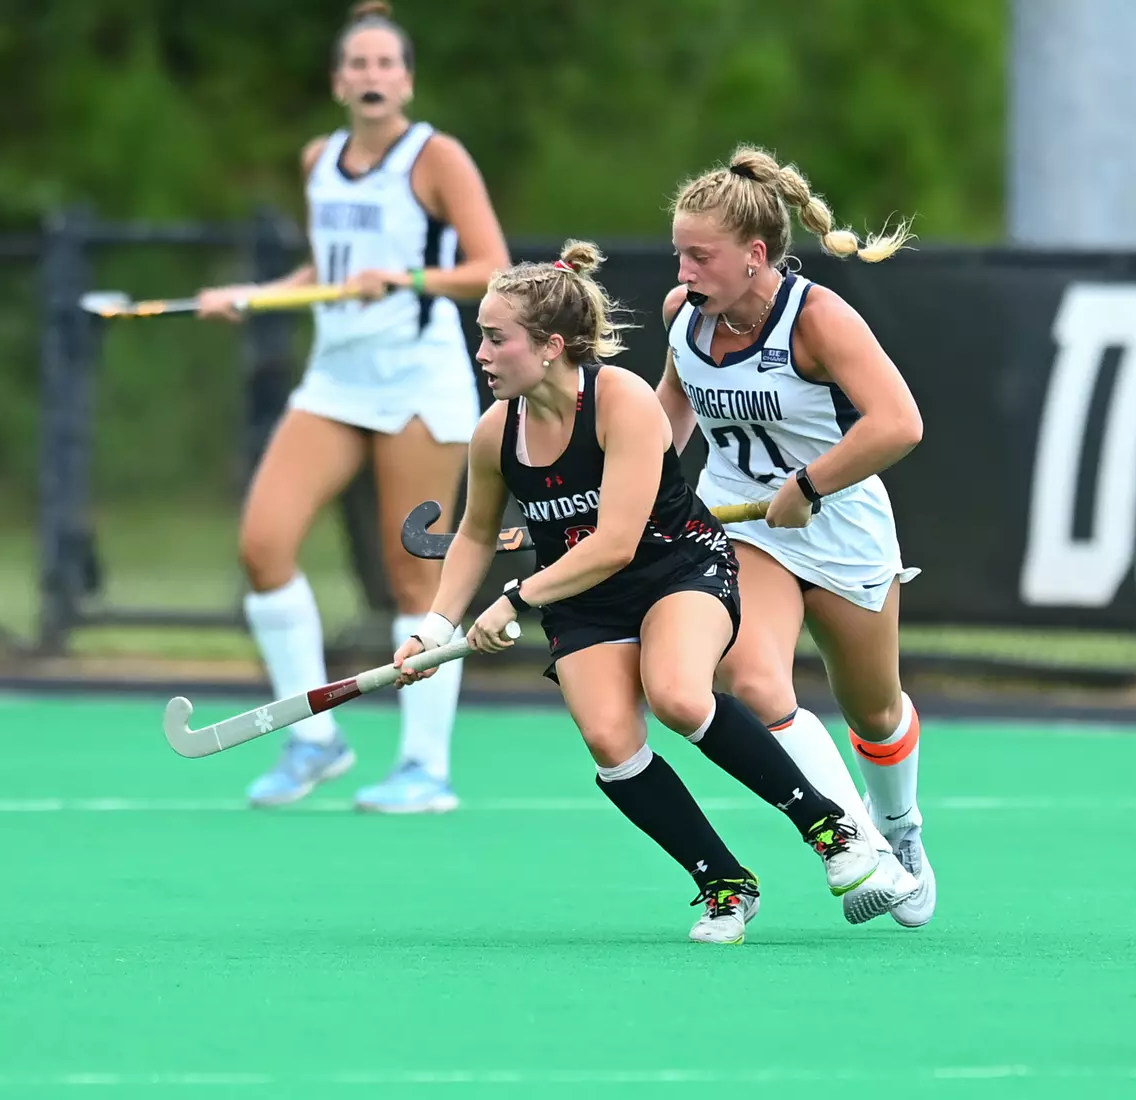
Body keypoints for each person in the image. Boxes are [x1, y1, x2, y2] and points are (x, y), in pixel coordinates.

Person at [393, 241, 894, 945]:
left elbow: (617, 542)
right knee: (610, 740)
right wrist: (437, 626)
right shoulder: (493, 433)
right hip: (582, 600)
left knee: (681, 695)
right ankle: (723, 883)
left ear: (550, 346)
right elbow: (475, 535)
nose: (481, 351)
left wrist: (513, 600)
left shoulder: (621, 401)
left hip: (676, 570)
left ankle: (828, 827)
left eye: (495, 337)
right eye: (482, 335)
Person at [193, 1, 511, 813]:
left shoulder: (435, 157)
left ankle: (424, 767)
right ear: (339, 82)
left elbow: (491, 266)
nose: (372, 78)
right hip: (335, 380)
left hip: (417, 377)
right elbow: (325, 265)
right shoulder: (318, 159)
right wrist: (256, 296)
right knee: (263, 546)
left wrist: (402, 279)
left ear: (405, 79)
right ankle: (314, 737)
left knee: (414, 571)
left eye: (385, 65)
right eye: (357, 66)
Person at [657, 145, 933, 927]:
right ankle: (857, 850)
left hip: (838, 523)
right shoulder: (686, 316)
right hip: (743, 526)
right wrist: (627, 494)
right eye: (680, 251)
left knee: (874, 710)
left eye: (700, 254)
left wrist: (810, 485)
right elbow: (668, 416)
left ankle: (901, 831)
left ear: (754, 255)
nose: (684, 269)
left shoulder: (816, 318)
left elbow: (899, 423)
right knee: (754, 680)